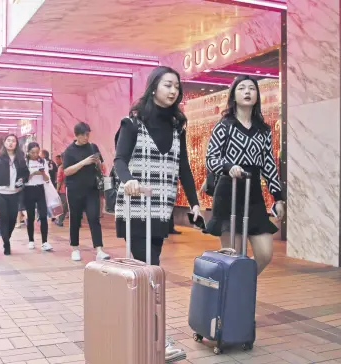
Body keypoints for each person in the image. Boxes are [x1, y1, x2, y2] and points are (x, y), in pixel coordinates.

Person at [114, 65, 199, 363]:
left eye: (177, 86)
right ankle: (155, 337)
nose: (173, 90)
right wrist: (128, 181)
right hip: (136, 208)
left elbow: (184, 168)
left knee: (149, 269)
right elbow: (119, 160)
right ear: (153, 88)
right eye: (167, 85)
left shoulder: (178, 127)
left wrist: (195, 202)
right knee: (150, 270)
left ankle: (140, 329)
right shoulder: (132, 123)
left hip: (161, 209)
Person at [205, 75, 286, 275]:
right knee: (233, 256)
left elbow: (269, 164)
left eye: (252, 88)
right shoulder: (224, 125)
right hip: (229, 192)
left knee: (265, 254)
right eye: (242, 88)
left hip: (254, 195)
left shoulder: (263, 130)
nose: (248, 92)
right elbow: (211, 157)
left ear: (257, 95)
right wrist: (227, 166)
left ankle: (241, 284)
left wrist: (278, 198)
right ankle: (231, 295)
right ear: (233, 95)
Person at [62, 122, 110, 262]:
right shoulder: (69, 151)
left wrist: (97, 164)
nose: (86, 137)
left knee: (94, 218)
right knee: (75, 219)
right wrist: (84, 162)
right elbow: (66, 171)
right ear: (76, 135)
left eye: (88, 134)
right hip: (74, 190)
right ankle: (75, 248)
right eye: (83, 135)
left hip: (92, 189)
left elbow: (101, 165)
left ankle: (99, 249)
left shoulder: (93, 147)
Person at [0, 134, 29, 256]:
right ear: (4, 143)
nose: (10, 143)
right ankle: (6, 244)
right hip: (1, 193)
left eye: (13, 141)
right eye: (8, 141)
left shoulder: (20, 159)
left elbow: (26, 174)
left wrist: (22, 180)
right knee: (4, 218)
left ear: (16, 144)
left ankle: (6, 237)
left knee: (13, 219)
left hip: (14, 193)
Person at [24, 142, 53, 252]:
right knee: (30, 216)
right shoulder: (25, 162)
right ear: (28, 151)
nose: (35, 154)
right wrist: (33, 173)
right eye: (32, 152)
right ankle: (31, 240)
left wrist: (42, 173)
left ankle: (45, 242)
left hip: (40, 189)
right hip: (28, 190)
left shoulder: (43, 161)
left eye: (37, 152)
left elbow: (47, 179)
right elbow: (24, 180)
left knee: (43, 216)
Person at [54, 161, 68, 227]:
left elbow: (59, 179)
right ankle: (78, 222)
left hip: (64, 189)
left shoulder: (62, 167)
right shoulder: (75, 164)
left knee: (63, 206)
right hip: (74, 189)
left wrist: (57, 190)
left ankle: (60, 221)